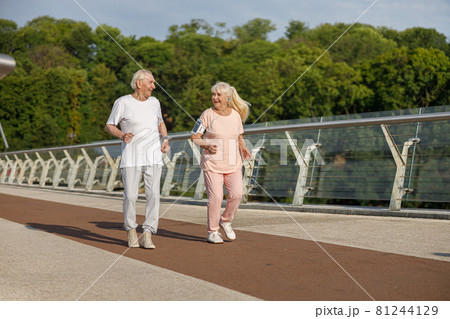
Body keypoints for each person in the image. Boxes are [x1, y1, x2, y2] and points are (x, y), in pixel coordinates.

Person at [105, 70, 170, 249]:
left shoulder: (154, 102)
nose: (153, 87)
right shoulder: (123, 102)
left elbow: (160, 122)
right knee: (131, 196)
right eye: (151, 83)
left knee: (154, 196)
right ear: (139, 83)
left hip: (153, 155)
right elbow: (110, 124)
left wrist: (165, 139)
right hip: (132, 156)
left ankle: (148, 233)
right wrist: (122, 134)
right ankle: (131, 230)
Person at [191, 82, 251, 244]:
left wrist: (243, 147)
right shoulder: (207, 114)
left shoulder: (235, 115)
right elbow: (194, 137)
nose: (215, 98)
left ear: (228, 98)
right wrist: (206, 145)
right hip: (212, 164)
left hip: (233, 162)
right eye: (213, 94)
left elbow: (239, 137)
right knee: (216, 197)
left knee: (237, 194)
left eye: (218, 95)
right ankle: (213, 231)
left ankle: (225, 220)